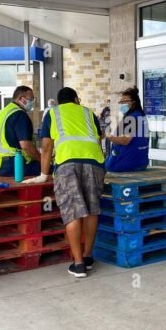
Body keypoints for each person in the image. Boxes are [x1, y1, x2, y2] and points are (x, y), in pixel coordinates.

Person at [24, 87, 105, 279]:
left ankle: (78, 265)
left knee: (72, 211)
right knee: (92, 210)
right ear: (77, 99)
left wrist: (44, 174)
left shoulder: (53, 113)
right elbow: (98, 138)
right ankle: (88, 257)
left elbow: (46, 146)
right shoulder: (88, 112)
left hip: (67, 164)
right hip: (94, 162)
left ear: (59, 102)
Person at [0, 86, 41, 177]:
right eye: (31, 99)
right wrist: (43, 159)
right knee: (51, 168)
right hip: (13, 164)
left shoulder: (3, 112)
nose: (33, 102)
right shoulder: (20, 115)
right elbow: (26, 146)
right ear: (22, 99)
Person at [105, 87, 149, 173]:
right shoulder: (139, 116)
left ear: (134, 102)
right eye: (121, 101)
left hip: (126, 163)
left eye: (125, 101)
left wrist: (107, 136)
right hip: (138, 162)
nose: (122, 104)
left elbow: (125, 140)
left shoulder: (132, 117)